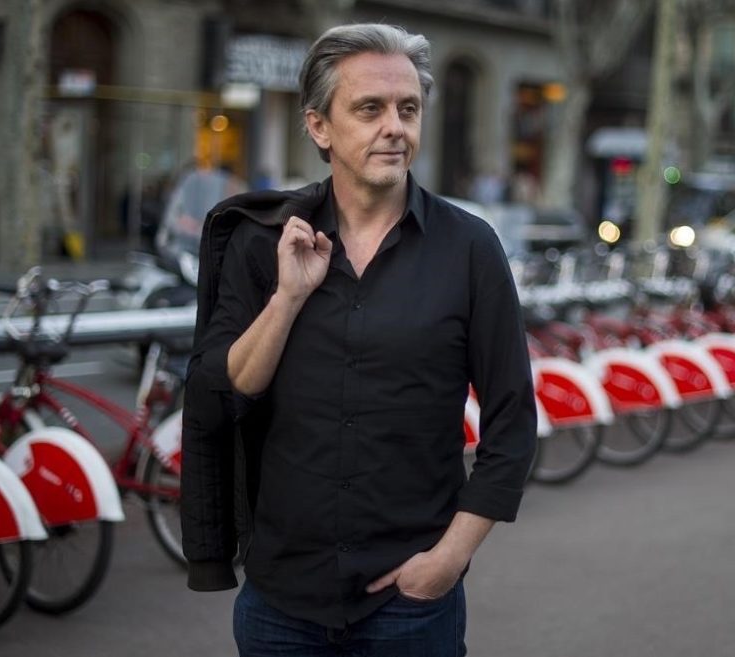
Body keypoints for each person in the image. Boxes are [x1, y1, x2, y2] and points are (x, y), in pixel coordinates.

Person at [180, 23, 537, 657]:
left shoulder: (470, 248)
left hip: (409, 606)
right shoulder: (264, 242)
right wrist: (288, 298)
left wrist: (449, 559)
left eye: (408, 109)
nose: (394, 127)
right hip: (279, 604)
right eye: (370, 109)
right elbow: (223, 391)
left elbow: (512, 423)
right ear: (319, 126)